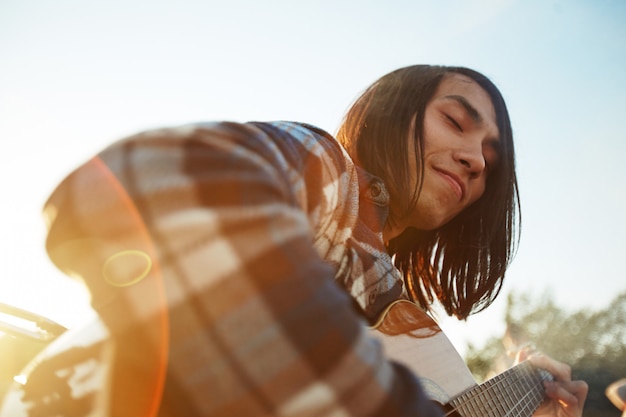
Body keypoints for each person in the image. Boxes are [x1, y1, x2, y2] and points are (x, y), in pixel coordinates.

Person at [43, 65, 588, 416]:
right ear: (390, 114)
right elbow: (153, 176)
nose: (475, 160)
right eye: (455, 120)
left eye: (491, 161)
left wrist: (513, 403)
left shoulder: (398, 318)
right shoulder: (329, 174)